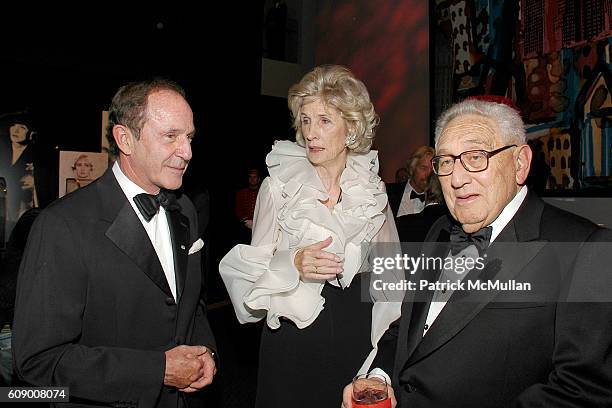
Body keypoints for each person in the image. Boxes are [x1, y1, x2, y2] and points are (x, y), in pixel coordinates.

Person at [343, 97, 612, 407]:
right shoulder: (439, 232)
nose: (456, 178)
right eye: (445, 161)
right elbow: (410, 326)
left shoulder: (585, 249)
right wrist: (379, 378)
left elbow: (581, 392)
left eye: (475, 157)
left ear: (519, 163)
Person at [13, 79, 217, 407]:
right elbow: (38, 361)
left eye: (189, 136)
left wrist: (205, 350)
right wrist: (157, 370)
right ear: (125, 139)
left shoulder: (185, 210)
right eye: (171, 136)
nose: (187, 152)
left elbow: (191, 305)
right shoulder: (62, 225)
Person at [219, 65, 403, 407]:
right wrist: (292, 263)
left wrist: (383, 361)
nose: (311, 133)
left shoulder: (373, 191)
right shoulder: (278, 188)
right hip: (293, 338)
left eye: (324, 120)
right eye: (305, 120)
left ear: (351, 128)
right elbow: (251, 274)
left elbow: (391, 278)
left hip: (357, 335)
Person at [0, 113, 37, 242]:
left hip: (21, 212)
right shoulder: (2, 145)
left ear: (31, 133)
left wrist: (35, 181)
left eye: (22, 127)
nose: (15, 130)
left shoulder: (35, 154)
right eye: (13, 126)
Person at [387, 145, 435, 218]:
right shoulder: (390, 193)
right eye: (423, 168)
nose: (428, 174)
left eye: (432, 170)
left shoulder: (439, 200)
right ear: (412, 168)